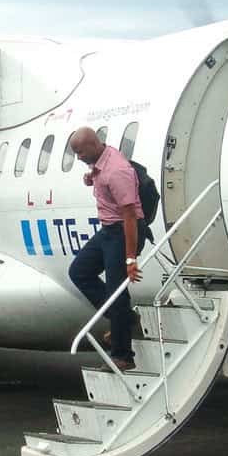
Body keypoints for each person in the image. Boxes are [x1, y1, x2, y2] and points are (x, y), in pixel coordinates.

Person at [66, 127, 142, 370]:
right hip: (109, 231)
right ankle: (125, 319)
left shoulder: (117, 171)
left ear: (92, 145)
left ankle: (123, 356)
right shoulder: (102, 161)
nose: (78, 157)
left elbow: (130, 216)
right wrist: (92, 177)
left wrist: (130, 259)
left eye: (79, 152)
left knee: (116, 292)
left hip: (123, 231)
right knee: (79, 271)